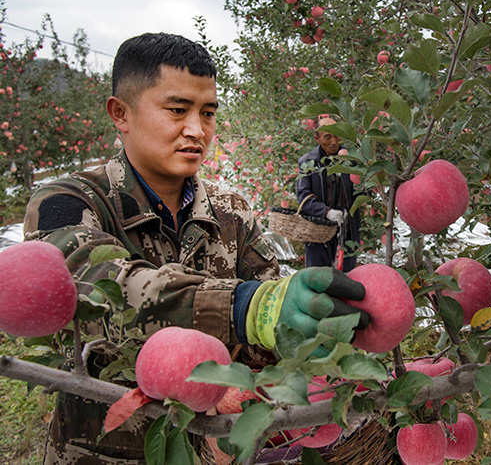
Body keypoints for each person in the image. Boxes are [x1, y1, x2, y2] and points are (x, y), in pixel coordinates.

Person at [22, 33, 368, 464]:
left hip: (208, 450)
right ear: (121, 113)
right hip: (104, 452)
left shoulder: (232, 212)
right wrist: (243, 309)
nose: (196, 130)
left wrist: (302, 334)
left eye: (207, 113)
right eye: (177, 110)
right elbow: (87, 292)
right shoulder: (68, 202)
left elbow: (268, 318)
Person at [296, 117, 361, 272]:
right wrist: (326, 212)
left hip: (347, 231)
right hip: (318, 233)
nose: (333, 142)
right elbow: (303, 197)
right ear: (317, 138)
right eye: (327, 137)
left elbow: (361, 190)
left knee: (346, 279)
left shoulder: (351, 159)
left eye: (337, 135)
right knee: (317, 279)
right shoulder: (307, 162)